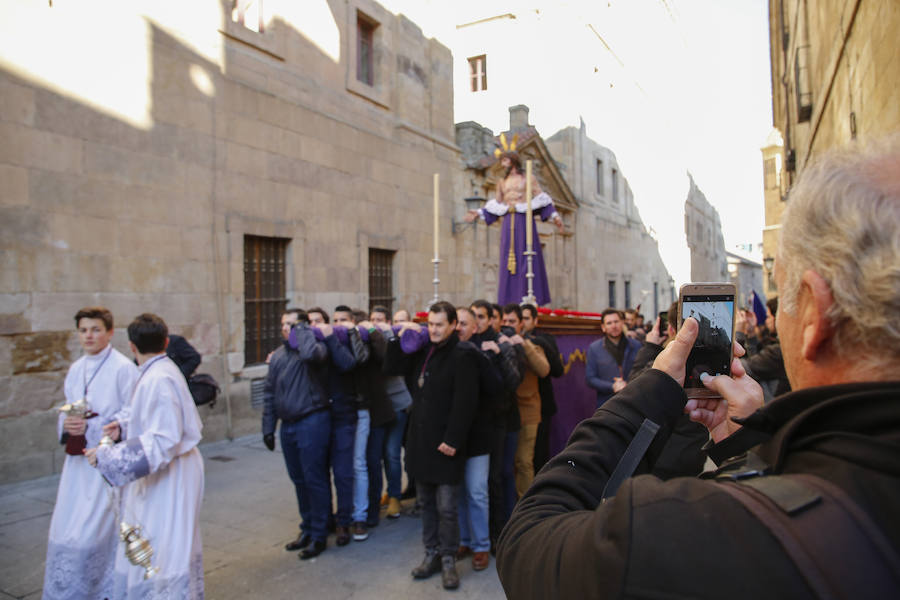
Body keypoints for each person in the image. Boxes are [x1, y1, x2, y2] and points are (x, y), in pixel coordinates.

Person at [496, 142, 900, 598]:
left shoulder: (679, 533)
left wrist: (651, 390)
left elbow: (529, 538)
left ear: (814, 316)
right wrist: (743, 446)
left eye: (784, 294)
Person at [88, 313, 204, 599]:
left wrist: (108, 458)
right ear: (166, 341)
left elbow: (164, 439)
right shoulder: (158, 370)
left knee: (165, 542)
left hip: (172, 472)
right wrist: (125, 426)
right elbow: (156, 419)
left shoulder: (159, 377)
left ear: (131, 346)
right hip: (168, 468)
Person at [43, 307, 138, 600]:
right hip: (77, 467)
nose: (89, 336)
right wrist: (67, 422)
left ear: (109, 332)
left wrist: (96, 425)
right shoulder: (76, 368)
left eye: (95, 329)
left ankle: (103, 588)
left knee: (94, 531)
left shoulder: (123, 368)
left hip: (106, 464)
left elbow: (133, 412)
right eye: (83, 330)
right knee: (69, 528)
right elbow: (69, 405)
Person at [383, 301, 479, 590]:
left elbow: (466, 403)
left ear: (452, 326)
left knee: (447, 507)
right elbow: (392, 366)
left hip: (446, 445)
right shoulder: (422, 350)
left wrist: (452, 440)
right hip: (420, 443)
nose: (434, 330)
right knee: (426, 504)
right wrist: (396, 336)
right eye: (430, 324)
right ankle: (431, 553)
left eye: (439, 325)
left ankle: (449, 559)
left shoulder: (462, 354)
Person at [262, 308, 332, 559]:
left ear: (303, 327)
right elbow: (270, 393)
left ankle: (320, 534)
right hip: (289, 426)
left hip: (312, 421)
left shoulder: (315, 348)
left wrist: (303, 334)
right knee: (299, 480)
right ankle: (307, 527)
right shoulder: (279, 355)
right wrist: (268, 427)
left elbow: (312, 354)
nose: (285, 329)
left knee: (315, 479)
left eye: (291, 324)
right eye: (283, 324)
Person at [466, 151, 564, 305]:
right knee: (508, 259)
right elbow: (497, 204)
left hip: (523, 220)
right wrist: (479, 212)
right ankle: (509, 299)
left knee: (526, 254)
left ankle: (530, 295)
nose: (502, 163)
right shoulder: (501, 182)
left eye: (505, 160)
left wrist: (555, 216)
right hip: (507, 221)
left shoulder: (528, 178)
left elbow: (542, 198)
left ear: (512, 160)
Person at [471, 299, 523, 554]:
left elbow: (513, 381)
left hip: (498, 420)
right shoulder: (467, 343)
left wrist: (500, 354)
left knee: (497, 477)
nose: (479, 321)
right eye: (475, 316)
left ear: (492, 319)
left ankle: (500, 530)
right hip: (474, 422)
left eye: (483, 317)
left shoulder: (501, 343)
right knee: (479, 483)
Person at [308, 306, 359, 547]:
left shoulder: (340, 341)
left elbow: (348, 364)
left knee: (343, 473)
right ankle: (325, 518)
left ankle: (344, 521)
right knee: (319, 473)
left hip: (343, 415)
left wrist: (330, 337)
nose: (314, 326)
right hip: (319, 418)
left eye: (319, 321)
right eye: (310, 323)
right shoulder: (308, 347)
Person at [501, 303, 550, 498]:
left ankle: (525, 503)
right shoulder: (497, 342)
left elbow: (544, 369)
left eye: (512, 321)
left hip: (527, 410)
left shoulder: (532, 343)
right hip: (505, 411)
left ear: (521, 324)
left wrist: (522, 343)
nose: (507, 325)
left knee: (523, 461)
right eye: (504, 321)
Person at [369, 306, 412, 519]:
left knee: (392, 453)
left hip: (397, 404)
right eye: (373, 319)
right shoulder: (368, 338)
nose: (376, 322)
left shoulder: (393, 340)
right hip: (378, 406)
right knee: (379, 454)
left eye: (380, 319)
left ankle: (395, 496)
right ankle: (387, 492)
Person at [520, 304, 564, 472]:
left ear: (535, 320)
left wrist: (534, 345)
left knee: (539, 455)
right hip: (519, 407)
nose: (523, 323)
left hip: (542, 405)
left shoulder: (543, 340)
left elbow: (557, 370)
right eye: (520, 319)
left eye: (526, 318)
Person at [585, 309, 641, 407]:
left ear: (623, 323)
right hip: (606, 403)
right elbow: (590, 378)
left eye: (616, 321)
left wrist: (628, 384)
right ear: (603, 327)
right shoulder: (594, 348)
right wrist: (612, 386)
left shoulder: (636, 345)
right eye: (609, 323)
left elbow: (642, 371)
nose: (613, 326)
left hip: (634, 401)